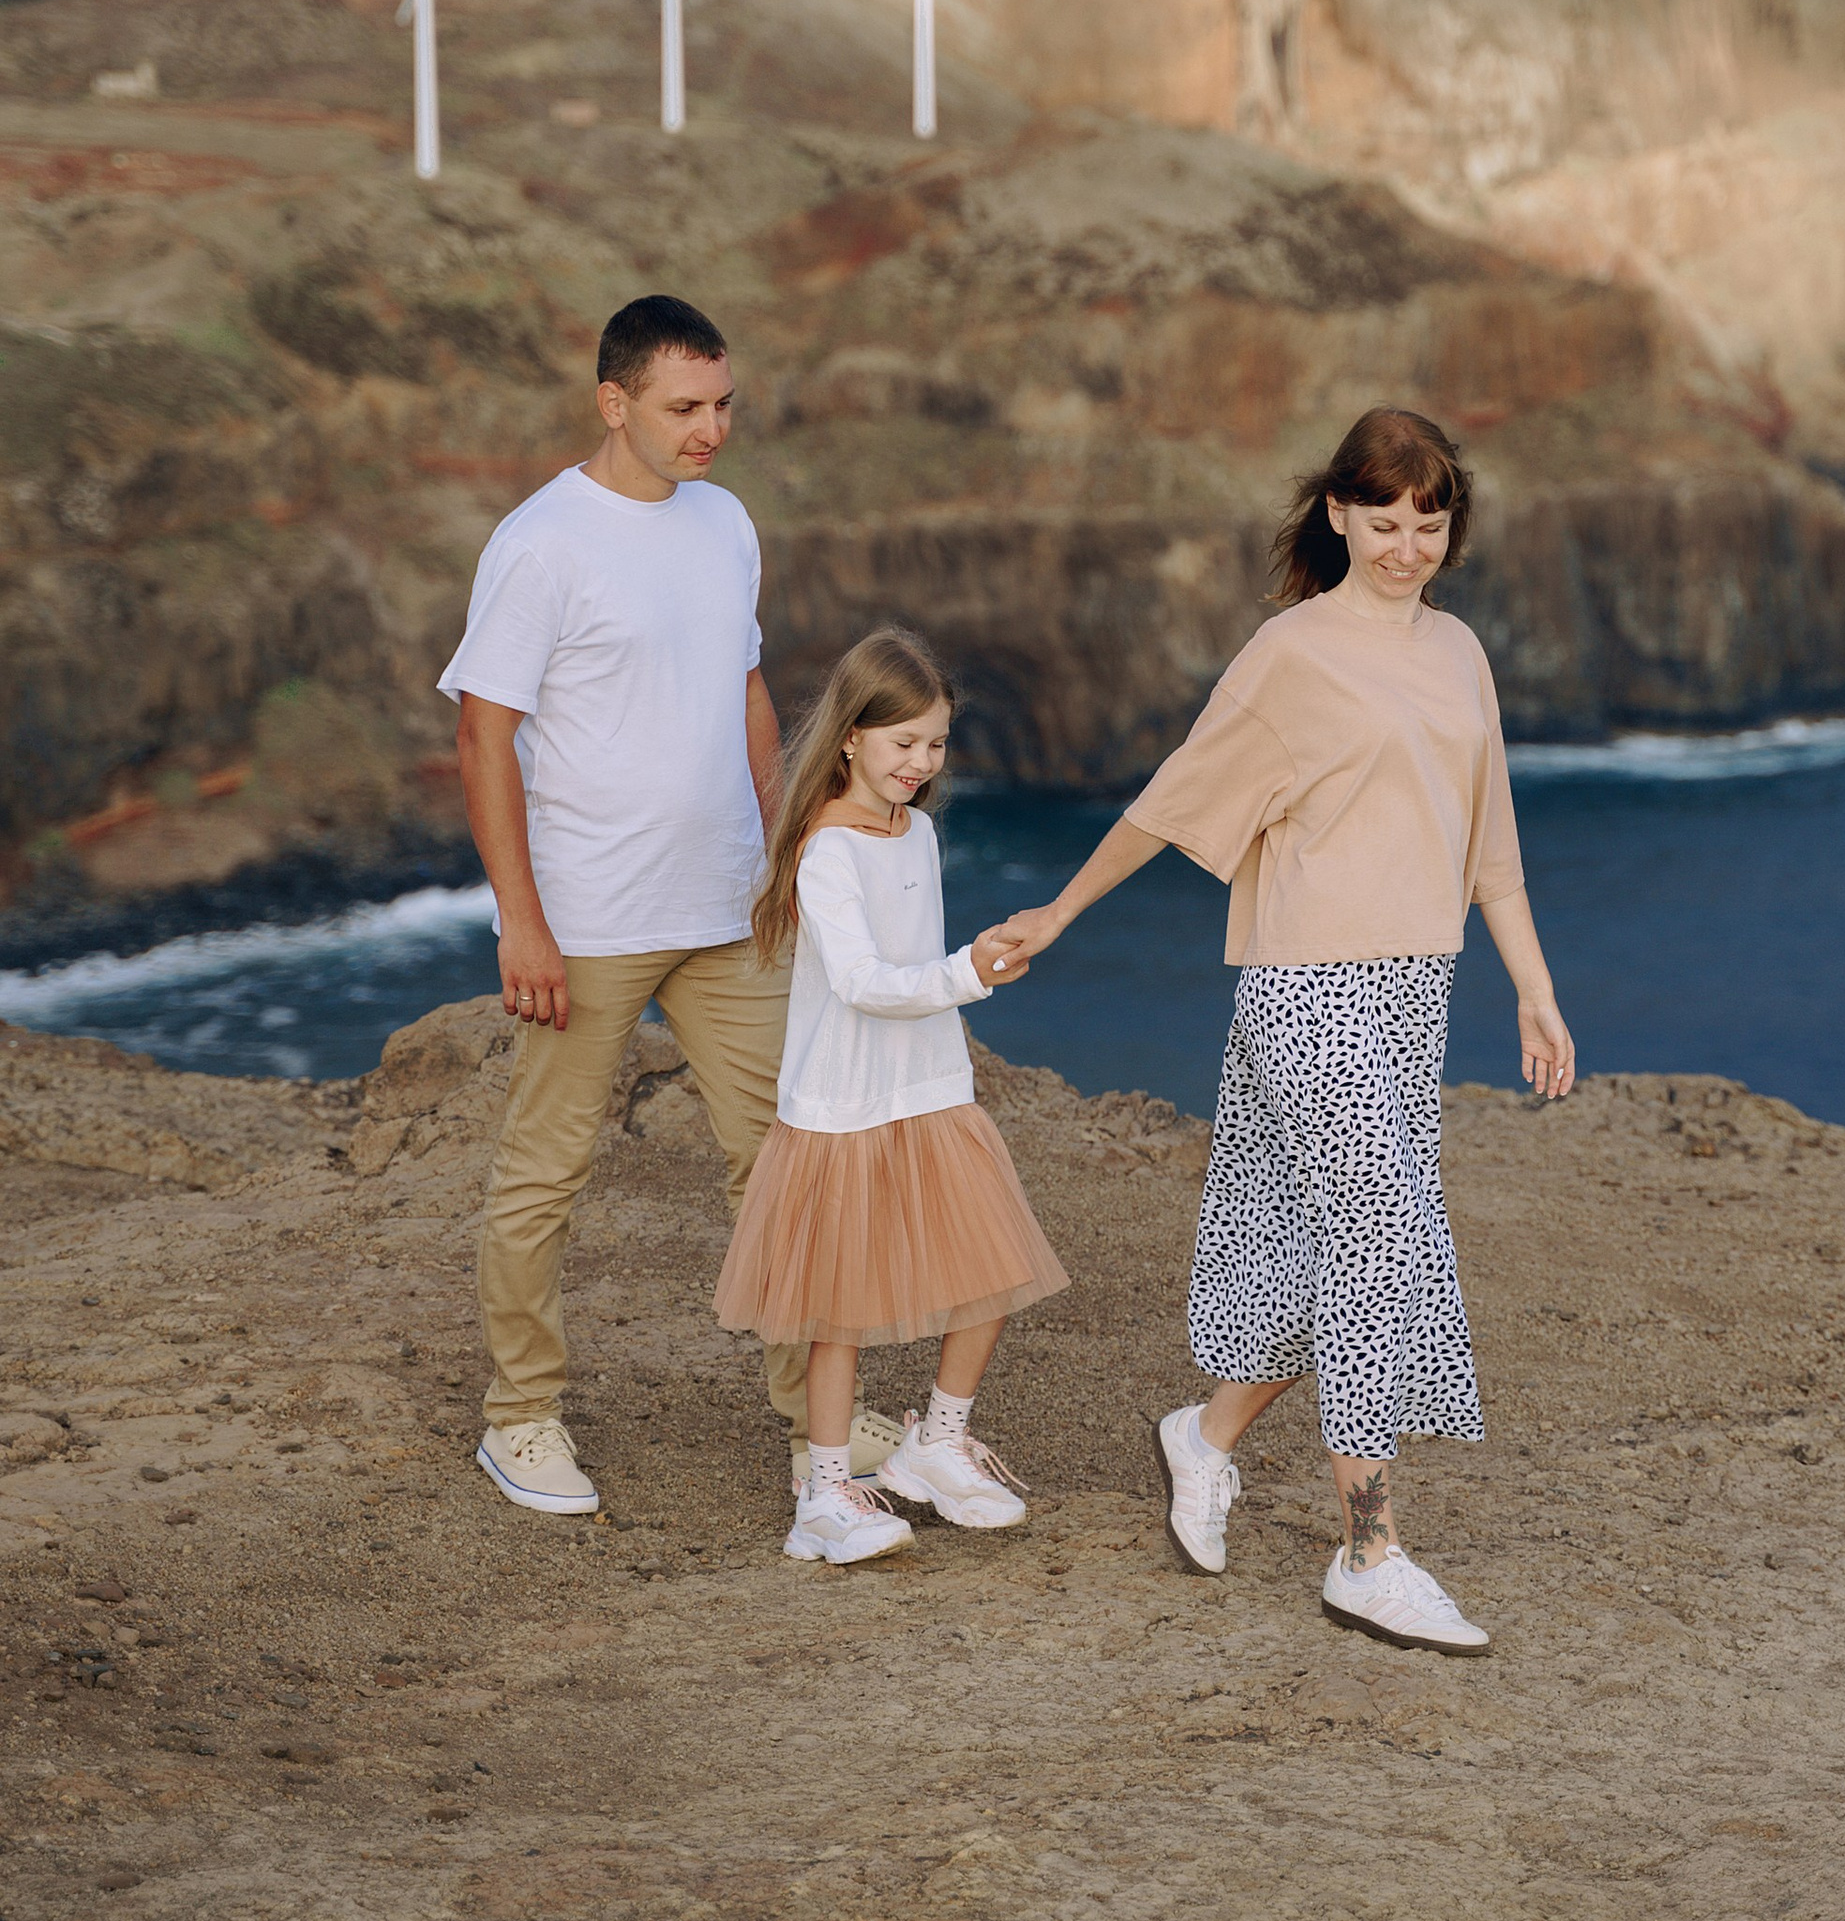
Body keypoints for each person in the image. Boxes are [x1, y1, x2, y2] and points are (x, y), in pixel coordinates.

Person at [987, 404, 1572, 1654]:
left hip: (1417, 993)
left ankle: (1200, 1440)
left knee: (1346, 1257)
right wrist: (1064, 910)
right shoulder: (1289, 655)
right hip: (1307, 991)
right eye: (1383, 519)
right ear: (1336, 515)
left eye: (1429, 521)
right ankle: (1369, 1550)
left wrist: (1533, 988)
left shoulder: (1462, 654)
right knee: (1377, 1246)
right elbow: (1174, 799)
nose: (1406, 544)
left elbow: (1494, 855)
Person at [439, 293, 811, 1514]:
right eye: (683, 408)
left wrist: (781, 852)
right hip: (589, 920)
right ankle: (521, 1418)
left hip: (726, 907)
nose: (709, 430)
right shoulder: (542, 541)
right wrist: (522, 920)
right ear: (615, 403)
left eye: (722, 406)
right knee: (547, 1172)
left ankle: (819, 1414)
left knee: (781, 1164)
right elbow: (484, 739)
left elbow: (747, 687)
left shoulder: (726, 521)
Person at [714, 626, 1064, 1567]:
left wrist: (966, 969)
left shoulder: (921, 831)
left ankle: (936, 1443)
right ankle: (824, 1494)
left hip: (930, 1091)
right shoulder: (827, 851)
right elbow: (868, 979)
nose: (921, 763)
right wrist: (972, 973)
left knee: (991, 1269)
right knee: (842, 1309)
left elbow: (918, 964)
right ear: (849, 740)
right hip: (841, 1107)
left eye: (937, 743)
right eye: (902, 742)